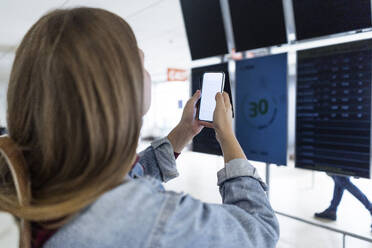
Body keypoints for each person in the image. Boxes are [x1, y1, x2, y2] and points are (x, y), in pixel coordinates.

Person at [0, 7, 279, 248]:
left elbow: (124, 181)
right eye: (141, 62)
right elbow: (258, 230)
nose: (146, 72)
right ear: (118, 92)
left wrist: (183, 132)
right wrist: (227, 136)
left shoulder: (35, 180)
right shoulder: (149, 221)